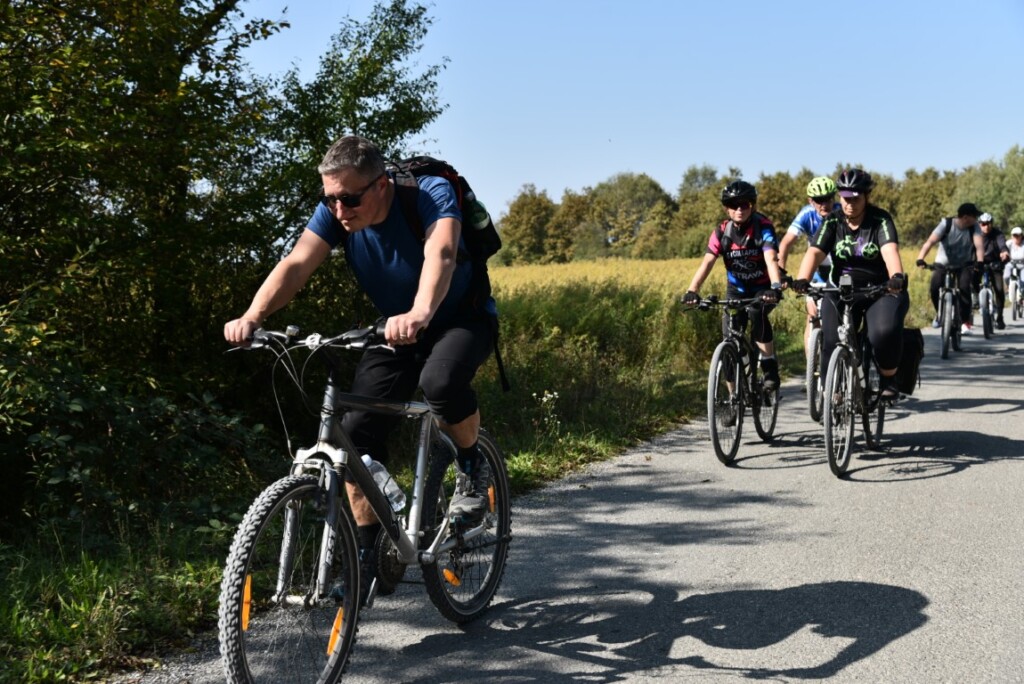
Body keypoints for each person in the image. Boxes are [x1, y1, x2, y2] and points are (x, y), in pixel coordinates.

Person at [224, 135, 495, 603]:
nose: (339, 209)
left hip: (458, 318)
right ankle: (370, 559)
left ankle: (472, 468)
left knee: (441, 383)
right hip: (393, 329)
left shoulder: (428, 191)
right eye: (329, 198)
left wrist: (421, 312)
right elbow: (296, 263)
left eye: (349, 198)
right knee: (354, 437)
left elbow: (442, 253)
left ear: (382, 184)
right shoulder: (336, 212)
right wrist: (253, 316)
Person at [792, 169, 908, 400]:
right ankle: (831, 394)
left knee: (882, 333)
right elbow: (815, 252)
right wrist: (802, 279)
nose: (850, 204)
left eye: (856, 198)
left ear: (867, 196)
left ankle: (888, 378)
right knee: (830, 339)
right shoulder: (832, 221)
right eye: (845, 198)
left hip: (880, 290)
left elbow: (890, 250)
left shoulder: (880, 220)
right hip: (841, 290)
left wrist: (896, 277)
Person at [684, 180, 784, 392]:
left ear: (753, 205)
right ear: (726, 208)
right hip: (736, 289)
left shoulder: (763, 226)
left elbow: (771, 257)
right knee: (729, 339)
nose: (739, 209)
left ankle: (769, 366)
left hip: (762, 288)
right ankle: (732, 398)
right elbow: (707, 262)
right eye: (733, 205)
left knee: (758, 314)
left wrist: (775, 286)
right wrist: (692, 291)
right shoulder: (722, 231)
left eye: (745, 204)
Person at [777, 176, 841, 368]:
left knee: (840, 316)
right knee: (812, 316)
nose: (824, 204)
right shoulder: (806, 215)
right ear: (810, 201)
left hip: (840, 268)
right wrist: (780, 271)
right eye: (819, 200)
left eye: (829, 198)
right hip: (817, 271)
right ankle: (811, 371)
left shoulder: (842, 212)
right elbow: (786, 243)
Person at [915, 202, 985, 335]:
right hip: (942, 263)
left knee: (964, 288)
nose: (976, 219)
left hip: (964, 264)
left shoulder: (974, 227)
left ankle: (964, 320)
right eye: (974, 216)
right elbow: (930, 242)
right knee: (935, 286)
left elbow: (979, 246)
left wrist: (980, 262)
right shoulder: (946, 224)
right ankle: (939, 314)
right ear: (965, 217)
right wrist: (920, 258)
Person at [977, 212, 1009, 329]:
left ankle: (1000, 317)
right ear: (980, 224)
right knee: (970, 281)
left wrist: (1004, 253)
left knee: (999, 290)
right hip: (979, 263)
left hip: (995, 264)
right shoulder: (976, 234)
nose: (986, 226)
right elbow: (970, 248)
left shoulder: (997, 233)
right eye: (984, 224)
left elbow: (1002, 245)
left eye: (989, 223)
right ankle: (975, 302)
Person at [1004, 226, 1024, 294]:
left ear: (1021, 236)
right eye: (1014, 235)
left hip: (1022, 265)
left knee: (1023, 281)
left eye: (1018, 235)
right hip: (1011, 263)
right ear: (1012, 236)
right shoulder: (1009, 243)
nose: (1016, 237)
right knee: (1006, 276)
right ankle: (1008, 287)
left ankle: (1022, 295)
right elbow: (1003, 249)